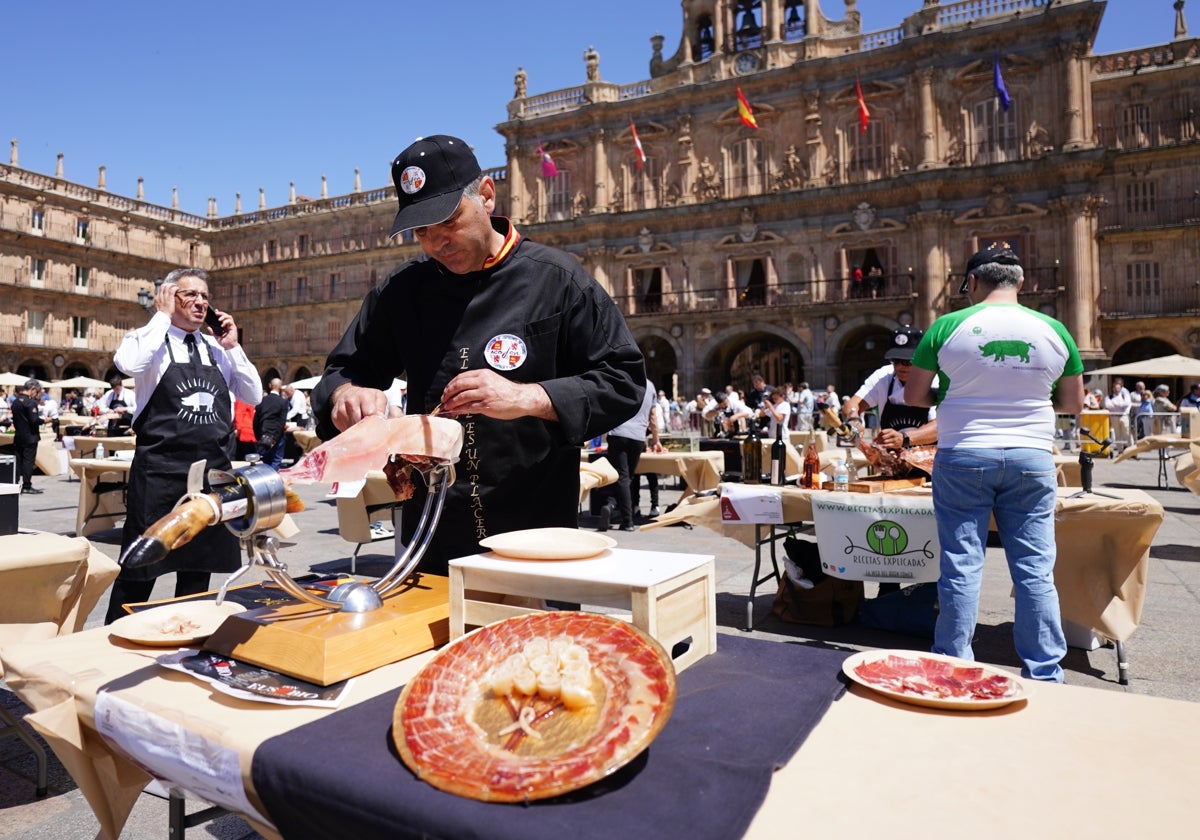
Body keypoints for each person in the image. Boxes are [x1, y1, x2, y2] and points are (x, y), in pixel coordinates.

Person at [311, 135, 645, 574]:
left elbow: (623, 380)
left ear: (486, 196)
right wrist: (346, 395)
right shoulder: (402, 292)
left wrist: (529, 397)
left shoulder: (558, 279)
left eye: (449, 221)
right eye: (422, 231)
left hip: (533, 526)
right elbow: (344, 370)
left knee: (533, 642)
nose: (436, 242)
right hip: (431, 525)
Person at [904, 243, 1084, 682]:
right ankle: (1044, 669)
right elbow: (1073, 403)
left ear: (973, 282)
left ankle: (953, 663)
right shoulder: (1055, 329)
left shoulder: (946, 326)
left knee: (962, 563)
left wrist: (950, 397)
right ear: (1022, 283)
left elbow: (913, 396)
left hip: (965, 451)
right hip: (1031, 455)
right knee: (1035, 567)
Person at [103, 267, 261, 624]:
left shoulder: (216, 350)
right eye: (189, 294)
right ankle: (111, 635)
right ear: (168, 296)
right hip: (160, 473)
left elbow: (253, 394)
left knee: (198, 570)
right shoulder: (147, 342)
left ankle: (187, 637)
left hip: (212, 476)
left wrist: (233, 347)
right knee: (139, 567)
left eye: (205, 296)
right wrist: (159, 317)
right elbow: (128, 365)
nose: (200, 302)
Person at [842, 325, 938, 453]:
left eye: (907, 361)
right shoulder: (883, 376)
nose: (900, 366)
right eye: (895, 360)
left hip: (930, 461)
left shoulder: (935, 379)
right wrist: (854, 420)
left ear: (921, 359)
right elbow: (852, 404)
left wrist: (904, 438)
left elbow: (941, 426)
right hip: (892, 462)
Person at [605, 379, 659, 531]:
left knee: (622, 476)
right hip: (638, 437)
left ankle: (615, 509)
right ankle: (621, 514)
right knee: (627, 477)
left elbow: (608, 406)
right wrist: (656, 440)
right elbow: (653, 417)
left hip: (618, 433)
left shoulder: (619, 379)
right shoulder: (650, 385)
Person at [10, 379, 43, 494]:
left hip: (19, 435)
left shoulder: (15, 402)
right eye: (37, 391)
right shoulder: (30, 403)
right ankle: (27, 485)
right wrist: (44, 420)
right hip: (30, 436)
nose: (36, 394)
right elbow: (34, 420)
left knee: (18, 460)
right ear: (32, 389)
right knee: (28, 461)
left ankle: (15, 483)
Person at [254, 378, 288, 469]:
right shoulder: (283, 402)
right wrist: (275, 438)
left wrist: (257, 436)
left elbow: (255, 420)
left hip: (263, 434)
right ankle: (273, 479)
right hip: (277, 436)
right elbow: (282, 422)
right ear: (280, 387)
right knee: (276, 460)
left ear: (270, 386)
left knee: (264, 460)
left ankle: (265, 479)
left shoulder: (261, 401)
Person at [1102, 377, 1132, 452]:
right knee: (1117, 435)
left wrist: (1115, 404)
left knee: (1127, 434)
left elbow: (1127, 403)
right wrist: (1119, 404)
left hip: (1123, 416)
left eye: (1118, 388)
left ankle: (1131, 450)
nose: (1116, 389)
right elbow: (1108, 405)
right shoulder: (1109, 397)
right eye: (1115, 388)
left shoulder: (1125, 395)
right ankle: (1120, 451)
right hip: (1114, 417)